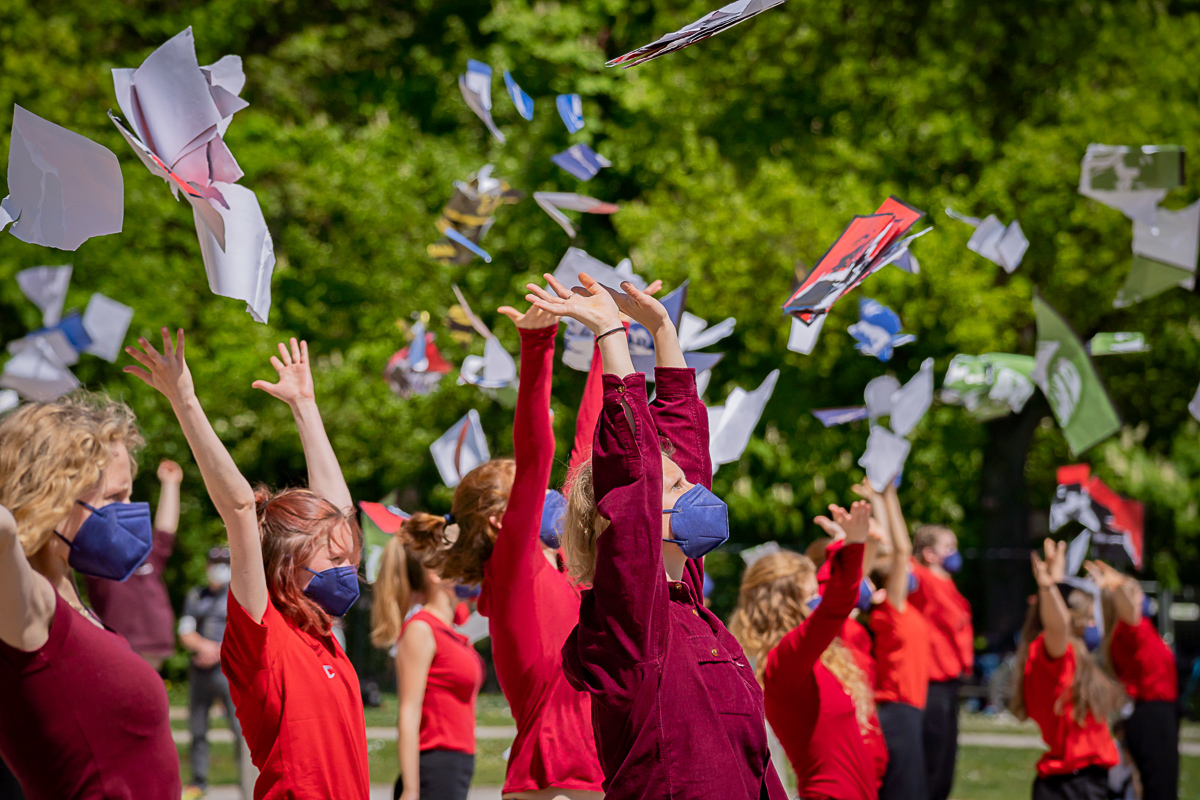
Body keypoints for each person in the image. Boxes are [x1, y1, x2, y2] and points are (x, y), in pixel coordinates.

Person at [528, 272, 787, 800]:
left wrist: (663, 332)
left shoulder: (691, 605)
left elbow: (683, 448)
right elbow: (634, 475)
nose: (696, 486)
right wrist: (610, 338)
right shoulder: (629, 623)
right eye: (675, 485)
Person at [125, 331, 369, 799]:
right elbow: (238, 505)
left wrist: (304, 406)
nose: (348, 567)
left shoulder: (318, 631)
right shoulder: (262, 632)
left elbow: (340, 514)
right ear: (289, 563)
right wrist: (185, 400)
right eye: (335, 559)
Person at [397, 299, 607, 800]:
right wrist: (538, 346)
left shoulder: (562, 567)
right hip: (555, 775)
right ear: (500, 521)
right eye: (533, 495)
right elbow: (539, 453)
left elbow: (588, 453)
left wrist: (608, 338)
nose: (551, 496)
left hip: (582, 770)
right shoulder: (514, 569)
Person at [0, 394, 180, 798]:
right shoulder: (31, 608)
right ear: (54, 493)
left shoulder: (74, 604)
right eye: (115, 498)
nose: (130, 511)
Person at [730, 501, 888, 800]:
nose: (819, 597)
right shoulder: (784, 660)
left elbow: (832, 592)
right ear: (787, 605)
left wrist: (841, 544)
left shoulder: (805, 654)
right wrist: (853, 544)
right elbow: (835, 605)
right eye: (812, 594)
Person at [371, 530, 485, 800]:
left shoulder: (452, 629)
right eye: (457, 561)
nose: (466, 567)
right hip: (435, 766)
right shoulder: (421, 630)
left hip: (457, 764)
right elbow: (408, 713)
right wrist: (411, 790)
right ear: (435, 574)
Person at [1010, 541, 1123, 800]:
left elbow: (1058, 617)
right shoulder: (1054, 651)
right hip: (1073, 786)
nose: (1094, 625)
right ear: (1073, 619)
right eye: (1090, 618)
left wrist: (1055, 579)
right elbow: (1058, 624)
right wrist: (1048, 588)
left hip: (1079, 780)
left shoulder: (1065, 655)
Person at [1085, 559, 1179, 800]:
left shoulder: (1140, 627)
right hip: (1151, 715)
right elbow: (1127, 603)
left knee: (1160, 788)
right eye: (1134, 592)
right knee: (1160, 791)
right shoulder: (1128, 629)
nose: (1138, 595)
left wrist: (1121, 582)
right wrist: (1121, 585)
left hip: (1158, 714)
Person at [83, 458, 182, 670]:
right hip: (119, 643)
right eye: (117, 498)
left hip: (153, 643)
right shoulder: (95, 552)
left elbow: (166, 531)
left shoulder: (146, 552)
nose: (127, 506)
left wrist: (171, 484)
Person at [866, 483, 930, 800]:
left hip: (906, 710)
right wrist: (888, 496)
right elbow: (901, 550)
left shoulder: (898, 610)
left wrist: (878, 500)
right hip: (897, 711)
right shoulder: (892, 610)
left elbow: (892, 552)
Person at [909, 523, 973, 800]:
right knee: (932, 761)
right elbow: (901, 557)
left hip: (950, 681)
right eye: (948, 547)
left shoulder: (949, 585)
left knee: (946, 762)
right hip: (930, 683)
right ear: (929, 554)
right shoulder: (922, 579)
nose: (954, 553)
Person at [178, 546, 243, 799]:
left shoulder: (237, 595)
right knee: (197, 729)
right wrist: (204, 647)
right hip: (200, 670)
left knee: (240, 729)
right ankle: (199, 781)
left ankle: (248, 781)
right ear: (207, 566)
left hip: (229, 671)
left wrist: (218, 651)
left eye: (225, 562)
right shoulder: (196, 595)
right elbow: (185, 631)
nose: (220, 567)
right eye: (215, 562)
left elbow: (243, 632)